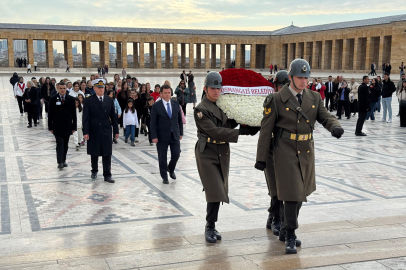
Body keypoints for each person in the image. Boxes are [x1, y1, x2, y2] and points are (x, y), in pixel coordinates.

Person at [255, 59, 343, 254]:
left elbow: (325, 115)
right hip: (284, 150)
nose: (304, 81)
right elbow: (265, 129)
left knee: (300, 194)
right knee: (293, 193)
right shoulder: (277, 99)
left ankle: (286, 229)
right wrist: (261, 157)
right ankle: (290, 233)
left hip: (306, 150)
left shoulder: (313, 97)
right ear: (291, 78)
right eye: (300, 77)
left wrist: (334, 126)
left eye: (306, 77)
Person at [194, 71, 255, 244]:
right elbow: (215, 131)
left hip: (222, 152)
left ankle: (212, 225)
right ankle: (209, 226)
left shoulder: (222, 106)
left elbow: (228, 123)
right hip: (207, 153)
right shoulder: (201, 109)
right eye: (213, 88)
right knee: (214, 190)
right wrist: (240, 132)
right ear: (206, 89)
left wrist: (246, 120)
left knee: (219, 188)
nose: (216, 91)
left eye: (219, 88)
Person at [263, 70, 289, 235]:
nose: (282, 89)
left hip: (287, 150)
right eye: (280, 86)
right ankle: (277, 220)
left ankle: (272, 217)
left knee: (284, 187)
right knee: (275, 187)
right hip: (272, 149)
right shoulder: (271, 101)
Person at [83, 79, 119, 183]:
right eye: (99, 87)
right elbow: (85, 117)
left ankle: (107, 174)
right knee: (94, 152)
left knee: (107, 152)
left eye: (102, 87)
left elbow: (113, 117)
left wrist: (116, 131)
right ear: (94, 88)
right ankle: (94, 170)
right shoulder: (89, 100)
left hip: (106, 129)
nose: (101, 89)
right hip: (93, 129)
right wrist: (86, 132)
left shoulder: (109, 100)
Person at [150, 84, 183, 184]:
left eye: (169, 93)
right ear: (161, 94)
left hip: (174, 135)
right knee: (162, 157)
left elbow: (179, 120)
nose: (168, 95)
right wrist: (154, 136)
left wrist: (181, 132)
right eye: (165, 93)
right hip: (162, 136)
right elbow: (153, 122)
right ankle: (164, 176)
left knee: (176, 154)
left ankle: (171, 168)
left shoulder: (175, 104)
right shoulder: (156, 106)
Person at [48, 81, 77, 169]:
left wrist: (74, 127)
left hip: (67, 126)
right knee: (59, 144)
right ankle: (60, 161)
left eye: (64, 88)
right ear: (58, 88)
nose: (63, 90)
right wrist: (50, 126)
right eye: (61, 88)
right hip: (57, 126)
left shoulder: (71, 99)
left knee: (65, 145)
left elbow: (74, 114)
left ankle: (63, 160)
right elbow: (50, 114)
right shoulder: (53, 99)